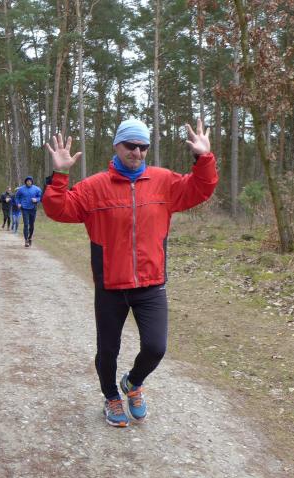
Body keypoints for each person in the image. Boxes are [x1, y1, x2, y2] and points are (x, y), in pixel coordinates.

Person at [42, 118, 218, 427]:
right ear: (116, 146)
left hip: (151, 283)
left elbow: (202, 188)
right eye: (130, 146)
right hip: (111, 285)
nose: (137, 152)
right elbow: (58, 209)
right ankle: (111, 396)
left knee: (155, 347)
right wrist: (60, 174)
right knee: (108, 350)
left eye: (143, 147)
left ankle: (133, 383)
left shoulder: (164, 181)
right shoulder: (94, 187)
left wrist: (203, 157)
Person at [14, 176, 42, 247]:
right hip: (24, 208)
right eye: (27, 181)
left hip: (33, 208)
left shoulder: (37, 189)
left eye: (30, 181)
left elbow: (40, 197)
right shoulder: (21, 189)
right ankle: (26, 240)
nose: (29, 182)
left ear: (32, 182)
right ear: (25, 182)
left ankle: (30, 237)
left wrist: (36, 199)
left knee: (31, 224)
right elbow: (17, 197)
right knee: (26, 224)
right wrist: (18, 203)